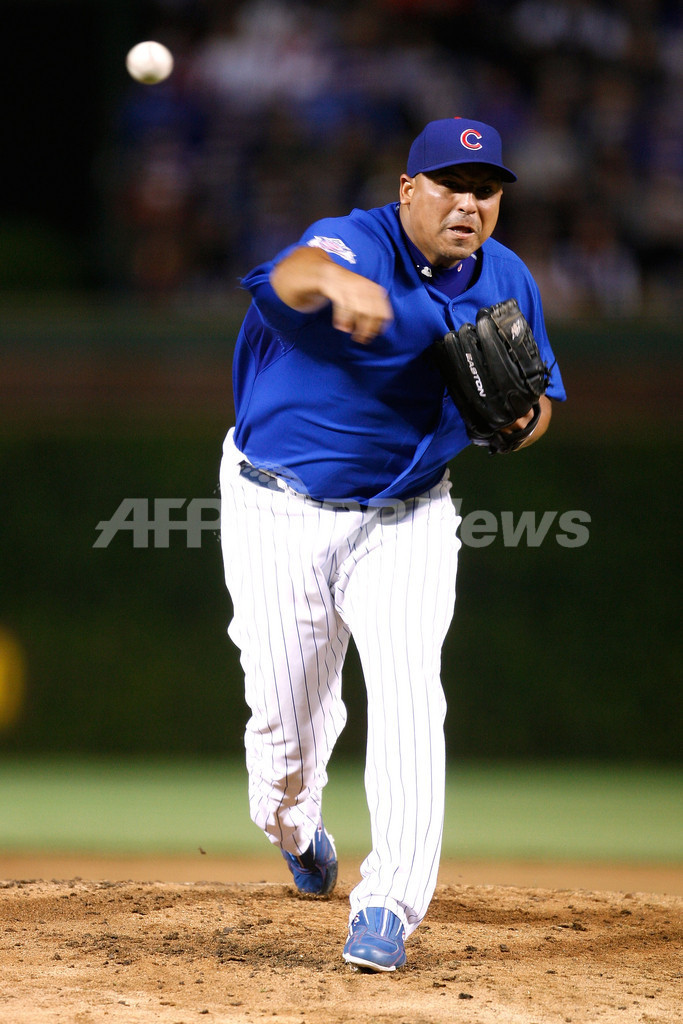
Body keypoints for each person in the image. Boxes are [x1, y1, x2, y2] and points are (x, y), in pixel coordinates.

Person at [218, 117, 566, 972]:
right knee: (282, 733)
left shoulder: (507, 278)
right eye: (448, 184)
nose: (468, 203)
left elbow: (542, 403)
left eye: (484, 190)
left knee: (411, 691)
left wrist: (520, 427)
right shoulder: (351, 240)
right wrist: (337, 290)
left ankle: (389, 904)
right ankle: (296, 830)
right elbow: (290, 271)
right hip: (277, 507)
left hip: (408, 517)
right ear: (407, 191)